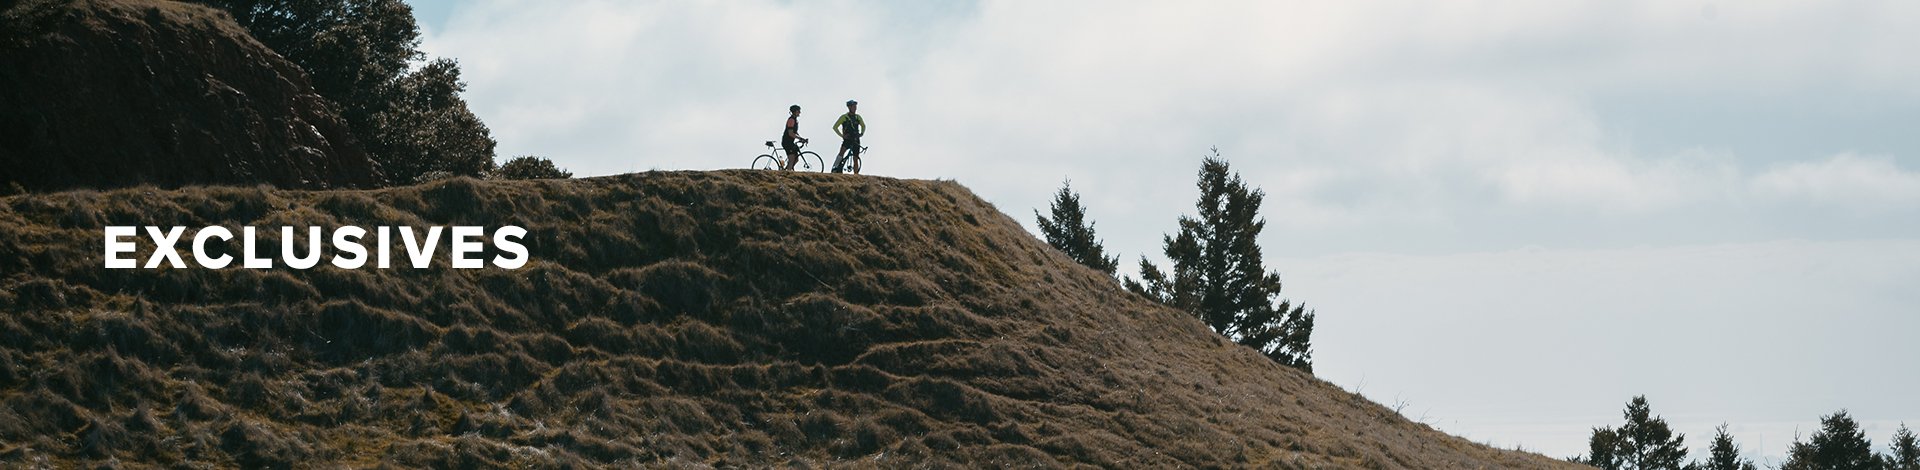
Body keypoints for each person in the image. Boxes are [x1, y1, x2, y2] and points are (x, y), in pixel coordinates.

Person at [832, 100, 866, 173]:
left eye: (855, 106)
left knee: (855, 158)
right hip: (848, 139)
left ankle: (856, 175)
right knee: (841, 153)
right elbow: (835, 127)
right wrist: (842, 136)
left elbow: (863, 125)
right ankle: (835, 168)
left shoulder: (858, 117)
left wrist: (862, 133)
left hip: (856, 139)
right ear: (849, 107)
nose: (855, 108)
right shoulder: (844, 117)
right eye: (854, 106)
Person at [781, 104, 808, 170]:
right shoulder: (791, 120)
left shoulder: (795, 120)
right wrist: (800, 138)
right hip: (787, 142)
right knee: (792, 159)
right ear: (795, 112)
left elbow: (795, 132)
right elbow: (790, 133)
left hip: (790, 142)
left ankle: (785, 171)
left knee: (796, 159)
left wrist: (802, 139)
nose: (800, 112)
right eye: (799, 111)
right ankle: (787, 174)